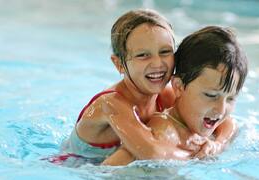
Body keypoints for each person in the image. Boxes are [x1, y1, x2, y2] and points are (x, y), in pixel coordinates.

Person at [56, 9, 237, 164]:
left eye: (165, 52)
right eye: (143, 55)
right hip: (79, 168)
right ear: (119, 64)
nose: (158, 63)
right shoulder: (111, 103)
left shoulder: (167, 94)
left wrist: (217, 144)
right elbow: (152, 154)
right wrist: (198, 155)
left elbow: (226, 121)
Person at [101, 26, 248, 166]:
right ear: (178, 86)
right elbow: (108, 168)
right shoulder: (163, 133)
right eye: (211, 95)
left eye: (230, 98)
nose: (221, 110)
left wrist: (218, 144)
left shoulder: (199, 122)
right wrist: (190, 157)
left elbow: (230, 124)